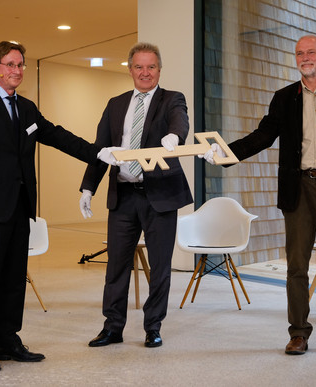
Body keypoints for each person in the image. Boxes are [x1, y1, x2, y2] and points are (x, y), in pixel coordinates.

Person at [202, 34, 316, 355]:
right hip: (298, 188)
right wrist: (225, 154)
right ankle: (299, 333)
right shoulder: (284, 98)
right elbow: (263, 136)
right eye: (299, 53)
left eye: (311, 52)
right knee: (296, 265)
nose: (305, 57)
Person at [0, 40, 118, 372]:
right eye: (10, 64)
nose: (17, 70)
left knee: (15, 277)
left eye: (21, 65)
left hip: (20, 205)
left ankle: (8, 341)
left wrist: (96, 152)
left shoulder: (26, 107)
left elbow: (57, 135)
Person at [79, 42, 193, 348]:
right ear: (130, 69)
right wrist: (89, 187)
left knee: (160, 267)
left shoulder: (172, 99)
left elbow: (180, 122)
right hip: (123, 196)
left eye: (151, 66)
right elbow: (101, 148)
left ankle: (153, 327)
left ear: (159, 69)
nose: (145, 72)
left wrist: (175, 136)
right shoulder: (115, 103)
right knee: (116, 266)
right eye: (139, 66)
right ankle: (112, 327)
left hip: (159, 195)